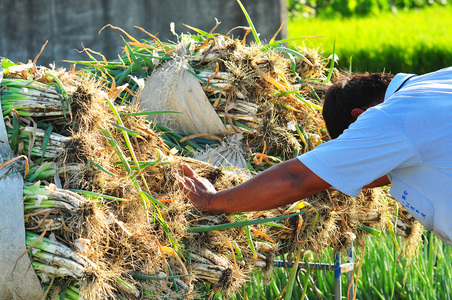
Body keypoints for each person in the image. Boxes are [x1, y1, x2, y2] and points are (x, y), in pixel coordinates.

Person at [179, 66, 452, 247]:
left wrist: (211, 200)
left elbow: (296, 178)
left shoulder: (388, 117)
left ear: (358, 117)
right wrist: (337, 175)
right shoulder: (440, 81)